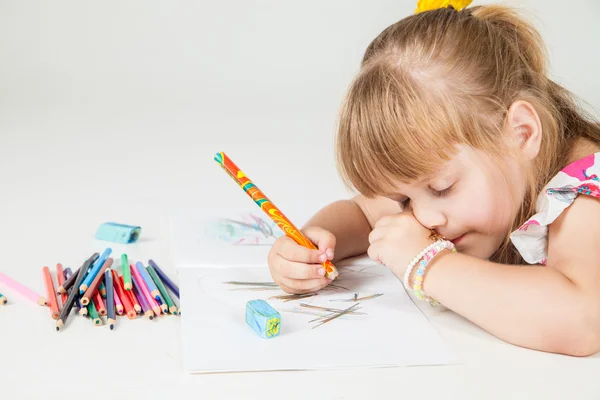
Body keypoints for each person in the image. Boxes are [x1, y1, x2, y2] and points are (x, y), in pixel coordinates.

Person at [267, 1, 600, 356]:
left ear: (520, 134)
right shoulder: (443, 196)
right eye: (404, 201)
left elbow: (581, 323)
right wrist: (311, 246)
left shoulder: (580, 194)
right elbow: (363, 214)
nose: (422, 218)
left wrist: (429, 264)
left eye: (442, 189)